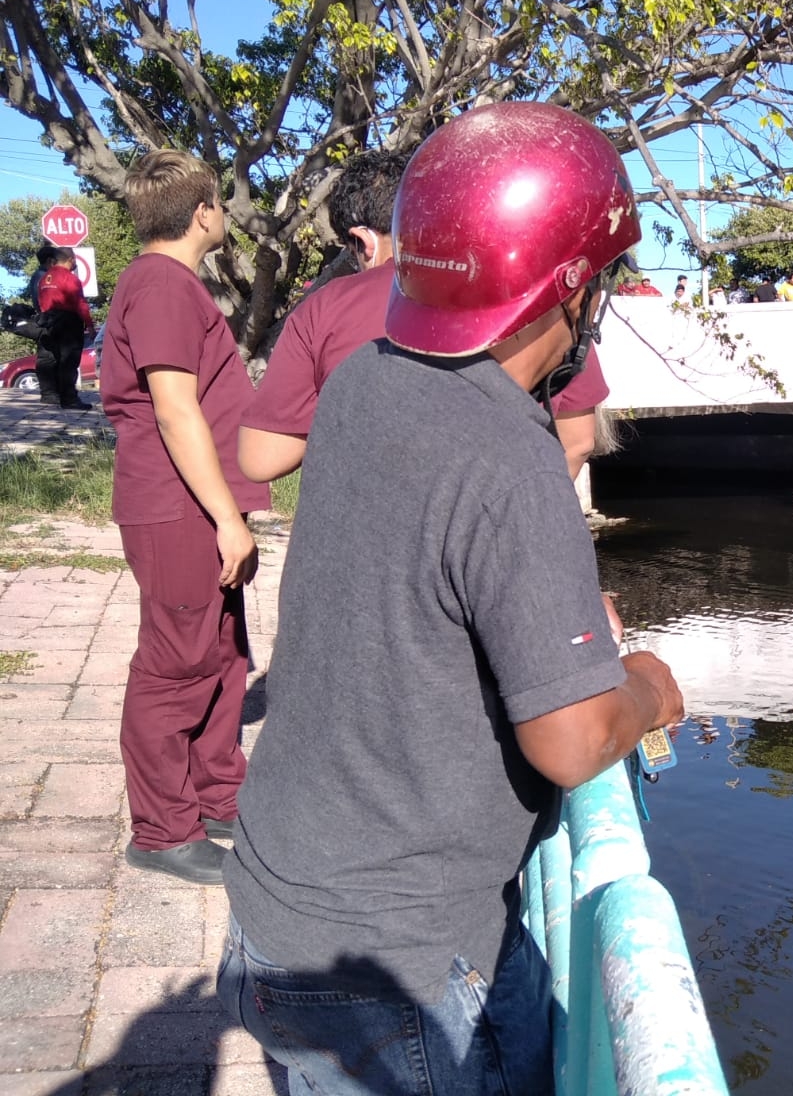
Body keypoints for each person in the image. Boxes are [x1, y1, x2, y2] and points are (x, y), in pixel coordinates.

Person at [218, 102, 685, 1095]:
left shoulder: (361, 382)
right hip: (399, 969)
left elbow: (411, 594)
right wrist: (645, 689)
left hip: (273, 912)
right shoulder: (511, 453)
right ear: (571, 287)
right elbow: (566, 739)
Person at [99, 150, 270, 884]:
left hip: (193, 506)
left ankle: (216, 795)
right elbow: (174, 410)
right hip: (177, 510)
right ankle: (162, 829)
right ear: (204, 212)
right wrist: (226, 518)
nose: (224, 215)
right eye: (221, 204)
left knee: (222, 653)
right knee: (173, 664)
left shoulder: (169, 284)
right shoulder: (163, 287)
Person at [237, 150, 611, 484]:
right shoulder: (528, 293)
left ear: (363, 240)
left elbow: (260, 460)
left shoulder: (324, 308)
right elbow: (578, 441)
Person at [34, 246, 95, 409]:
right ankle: (70, 399)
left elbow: (41, 302)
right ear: (71, 260)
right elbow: (80, 304)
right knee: (69, 360)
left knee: (54, 359)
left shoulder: (44, 278)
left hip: (49, 321)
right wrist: (90, 326)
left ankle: (54, 395)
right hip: (69, 321)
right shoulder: (70, 278)